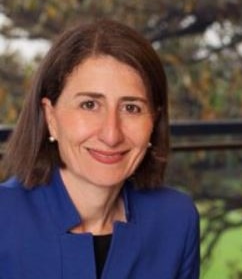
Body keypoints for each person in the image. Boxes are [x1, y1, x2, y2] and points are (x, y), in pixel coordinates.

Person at [0, 19, 199, 279]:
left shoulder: (176, 220)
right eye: (90, 105)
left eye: (131, 108)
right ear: (50, 116)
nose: (111, 134)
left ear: (154, 121)